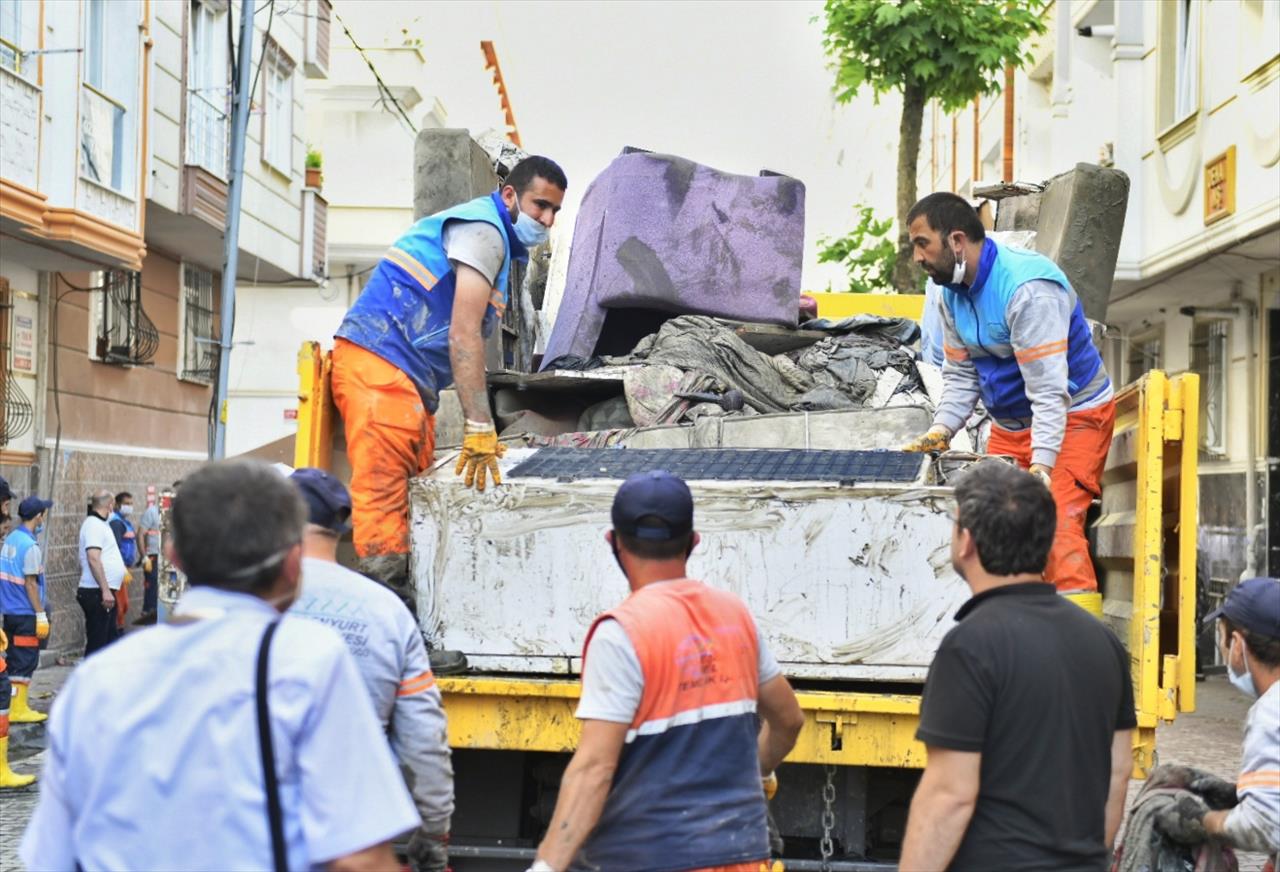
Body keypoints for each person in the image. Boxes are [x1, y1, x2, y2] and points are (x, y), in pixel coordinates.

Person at [20, 459, 420, 870]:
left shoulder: (94, 680)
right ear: (291, 562)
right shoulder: (308, 661)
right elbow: (361, 860)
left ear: (174, 556)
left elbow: (51, 858)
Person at [530, 471, 805, 872]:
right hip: (742, 855)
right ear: (693, 542)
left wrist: (545, 867)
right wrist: (759, 773)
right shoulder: (735, 616)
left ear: (614, 542)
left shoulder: (621, 634)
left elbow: (594, 769)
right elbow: (789, 720)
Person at [332, 156, 567, 612]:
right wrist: (479, 425)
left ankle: (408, 626)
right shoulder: (484, 231)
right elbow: (463, 335)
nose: (547, 220)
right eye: (540, 205)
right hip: (381, 365)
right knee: (384, 502)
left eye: (555, 211)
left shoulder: (490, 238)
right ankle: (394, 633)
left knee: (410, 498)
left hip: (399, 376)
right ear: (510, 196)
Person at [898, 460, 1136, 871]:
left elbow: (949, 794)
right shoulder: (1104, 642)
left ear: (966, 542)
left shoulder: (969, 646)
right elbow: (1118, 772)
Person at [900, 192, 1114, 608]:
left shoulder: (1027, 290)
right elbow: (962, 376)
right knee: (993, 528)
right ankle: (1012, 636)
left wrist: (1042, 466)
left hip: (1072, 416)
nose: (916, 257)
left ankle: (1079, 652)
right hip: (1012, 423)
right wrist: (939, 432)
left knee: (1053, 527)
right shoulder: (951, 294)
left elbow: (1050, 391)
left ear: (956, 240)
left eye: (921, 243)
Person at [288, 468, 454, 872]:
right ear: (343, 526)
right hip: (352, 830)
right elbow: (424, 739)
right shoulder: (386, 611)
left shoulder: (251, 600)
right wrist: (434, 832)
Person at [1151, 577, 1280, 868]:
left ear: (1236, 645)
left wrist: (1201, 820)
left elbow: (1264, 823)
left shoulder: (1271, 712)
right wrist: (1237, 794)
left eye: (1221, 637)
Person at [1, 496, 54, 725]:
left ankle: (14, 705)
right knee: (25, 660)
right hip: (25, 612)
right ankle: (18, 708)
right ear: (39, 516)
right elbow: (31, 583)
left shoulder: (11, 538)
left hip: (10, 612)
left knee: (14, 658)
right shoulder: (30, 547)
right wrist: (40, 614)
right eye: (43, 514)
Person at [76, 490, 127, 656]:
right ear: (110, 505)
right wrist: (105, 590)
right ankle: (90, 679)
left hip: (103, 592)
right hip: (96, 592)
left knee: (108, 640)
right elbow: (93, 558)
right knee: (98, 643)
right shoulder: (93, 525)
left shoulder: (100, 524)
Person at [108, 492, 140, 634]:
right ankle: (117, 632)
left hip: (125, 568)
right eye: (126, 504)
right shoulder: (116, 522)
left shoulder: (125, 523)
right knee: (121, 603)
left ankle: (118, 629)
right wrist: (121, 567)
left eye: (131, 504)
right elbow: (114, 546)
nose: (129, 507)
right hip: (119, 568)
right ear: (117, 505)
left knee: (123, 603)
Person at [135, 493, 162, 625]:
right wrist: (144, 556)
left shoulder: (176, 513)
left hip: (169, 557)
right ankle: (149, 612)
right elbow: (140, 534)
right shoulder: (152, 512)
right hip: (153, 556)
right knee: (152, 585)